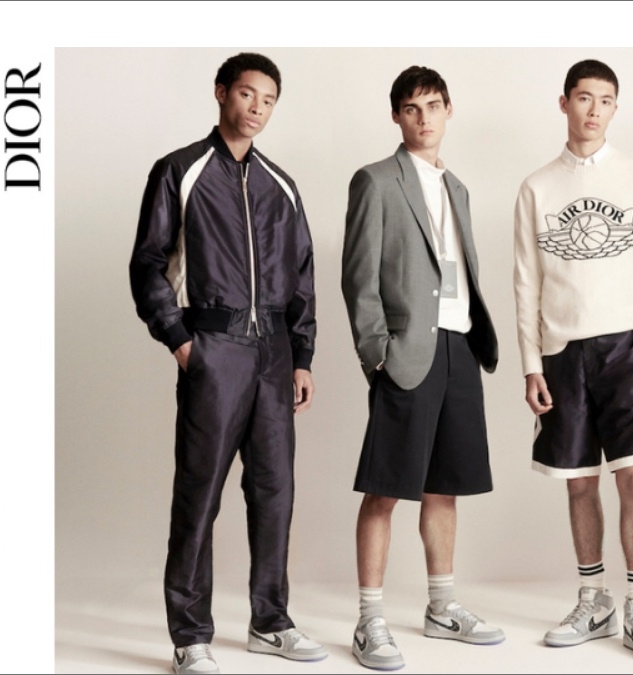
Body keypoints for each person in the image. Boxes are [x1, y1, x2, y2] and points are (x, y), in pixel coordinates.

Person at [129, 52, 324, 675]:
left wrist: (301, 356)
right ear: (221, 93)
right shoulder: (180, 170)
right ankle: (190, 635)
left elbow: (301, 274)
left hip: (275, 355)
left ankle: (271, 622)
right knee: (200, 492)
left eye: (268, 100)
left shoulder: (280, 184)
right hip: (214, 348)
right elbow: (148, 264)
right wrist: (181, 340)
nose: (257, 108)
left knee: (274, 492)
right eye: (247, 94)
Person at [513, 58, 633, 664]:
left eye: (605, 100)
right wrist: (532, 363)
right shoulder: (537, 187)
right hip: (563, 354)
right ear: (564, 102)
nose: (594, 110)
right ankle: (594, 601)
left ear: (616, 108)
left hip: (628, 348)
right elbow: (526, 282)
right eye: (584, 98)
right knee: (579, 481)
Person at [341, 65, 503, 672]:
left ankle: (442, 607)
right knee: (385, 488)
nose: (424, 118)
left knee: (443, 488)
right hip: (407, 353)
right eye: (412, 108)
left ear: (449, 109)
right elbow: (359, 277)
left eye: (433, 105)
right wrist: (377, 354)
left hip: (459, 349)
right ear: (397, 116)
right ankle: (369, 620)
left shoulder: (457, 187)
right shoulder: (376, 180)